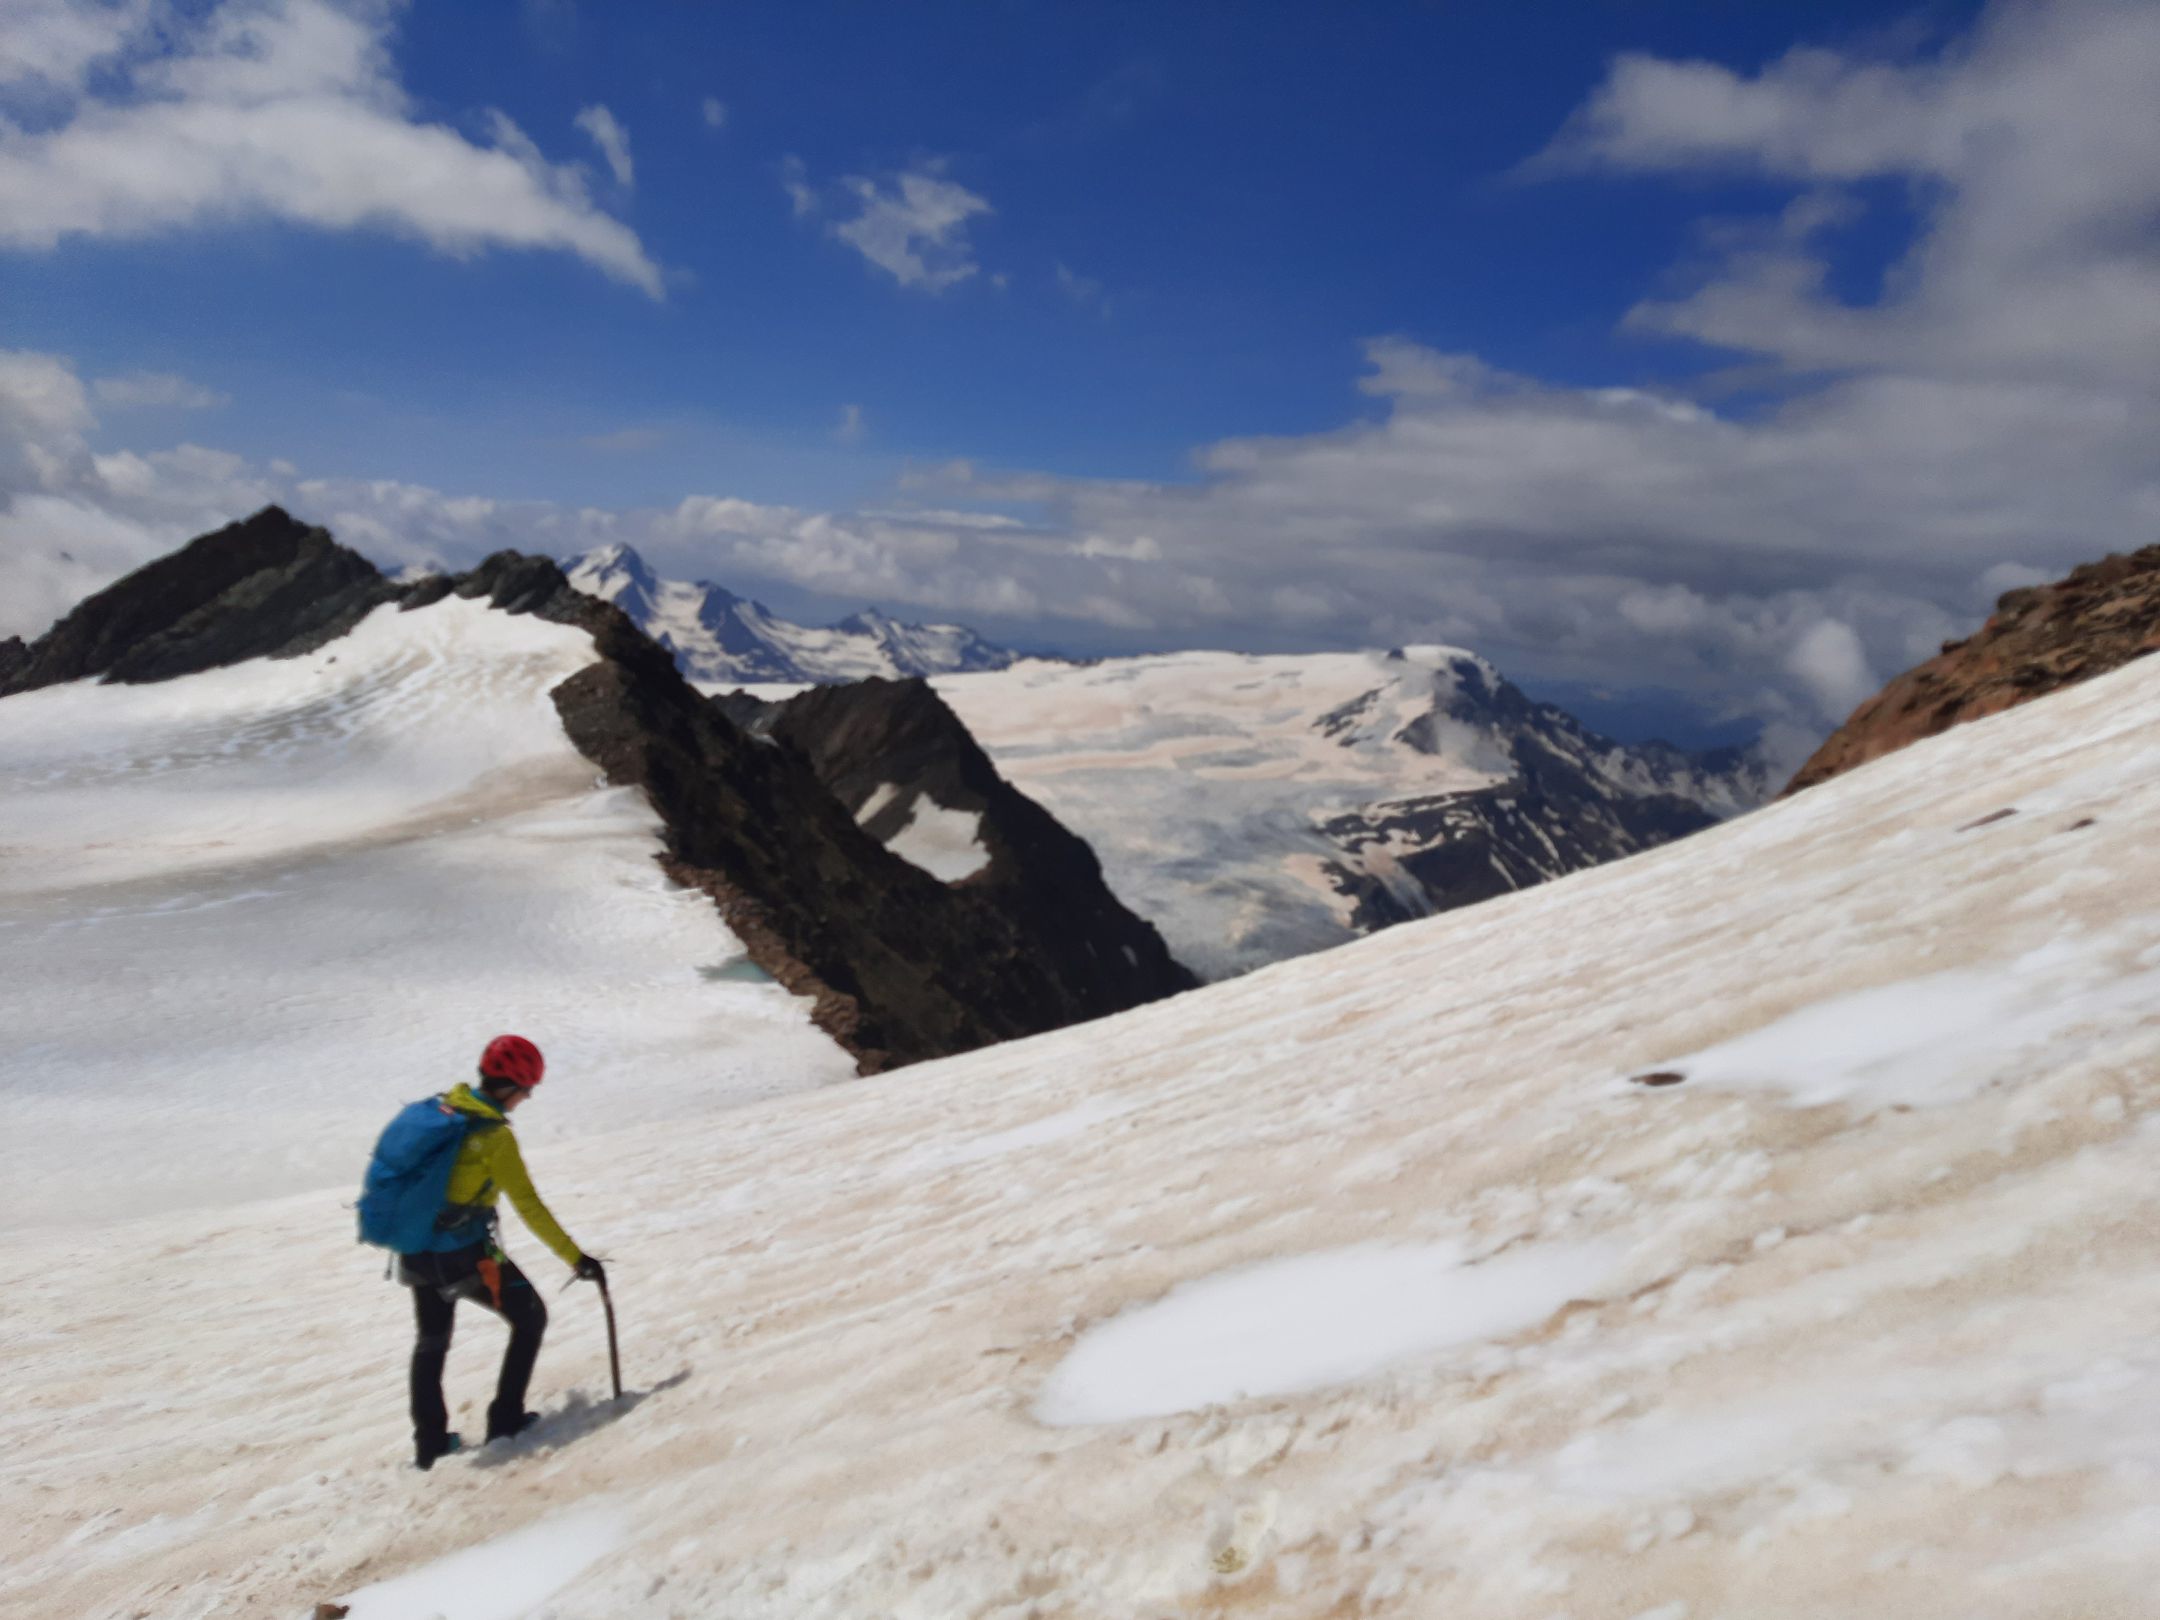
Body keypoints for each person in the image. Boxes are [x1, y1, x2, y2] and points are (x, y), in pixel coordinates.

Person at [401, 1034, 605, 1470]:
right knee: (530, 1317)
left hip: (416, 1249)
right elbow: (528, 1205)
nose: (527, 1098)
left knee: (431, 1342)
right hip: (463, 1254)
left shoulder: (443, 1110)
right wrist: (575, 1257)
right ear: (510, 1086)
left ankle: (431, 1444)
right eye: (526, 1089)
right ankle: (505, 1419)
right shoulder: (494, 1138)